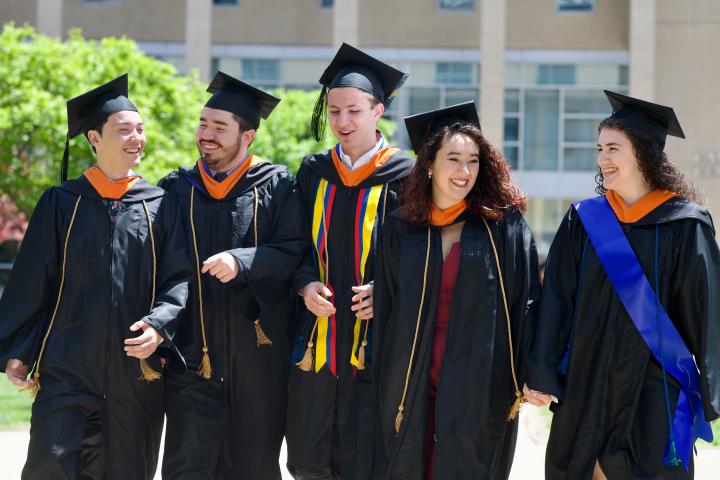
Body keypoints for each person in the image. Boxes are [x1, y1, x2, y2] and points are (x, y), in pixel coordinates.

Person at [0, 74, 192, 479]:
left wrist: (158, 328)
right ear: (94, 137)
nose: (136, 138)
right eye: (124, 130)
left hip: (133, 372)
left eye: (140, 129)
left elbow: (178, 279)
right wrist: (19, 349)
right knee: (48, 465)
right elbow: (32, 281)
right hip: (67, 365)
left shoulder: (159, 204)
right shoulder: (61, 202)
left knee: (126, 469)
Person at [527, 91, 720, 479]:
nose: (602, 159)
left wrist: (712, 387)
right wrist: (543, 372)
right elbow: (556, 302)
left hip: (654, 391)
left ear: (644, 153)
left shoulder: (685, 224)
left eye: (613, 148)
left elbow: (708, 310)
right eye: (599, 148)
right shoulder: (584, 221)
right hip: (586, 385)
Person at [372, 101, 540, 479]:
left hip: (478, 383)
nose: (464, 171)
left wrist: (532, 372)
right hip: (412, 379)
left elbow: (527, 302)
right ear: (429, 163)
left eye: (473, 160)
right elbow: (386, 306)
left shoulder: (502, 226)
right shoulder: (402, 228)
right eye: (453, 159)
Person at [159, 71, 307, 479]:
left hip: (259, 361)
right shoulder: (175, 189)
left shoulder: (278, 186)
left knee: (253, 467)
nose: (206, 134)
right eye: (203, 123)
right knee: (188, 467)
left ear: (248, 137)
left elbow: (294, 251)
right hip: (192, 358)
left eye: (219, 128)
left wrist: (243, 261)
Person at [285, 43, 415, 479]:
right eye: (335, 111)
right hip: (315, 345)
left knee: (370, 458)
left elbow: (420, 256)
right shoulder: (313, 171)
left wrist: (388, 291)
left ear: (378, 110)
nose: (342, 121)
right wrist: (305, 285)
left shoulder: (407, 175)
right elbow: (294, 245)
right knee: (311, 458)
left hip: (374, 347)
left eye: (354, 111)